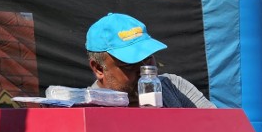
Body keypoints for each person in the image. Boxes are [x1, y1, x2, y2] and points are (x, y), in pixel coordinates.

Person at [86, 13, 215, 109]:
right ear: (98, 68)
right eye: (129, 65)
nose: (144, 71)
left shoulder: (173, 86)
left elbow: (218, 125)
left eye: (148, 59)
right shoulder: (88, 110)